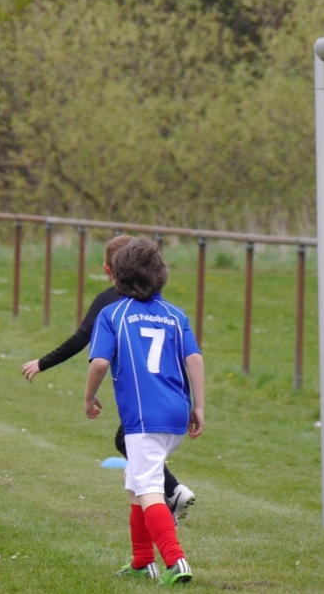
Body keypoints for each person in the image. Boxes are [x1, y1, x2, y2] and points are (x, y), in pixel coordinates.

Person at [21, 234, 196, 525]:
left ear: (109, 269)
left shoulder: (111, 306)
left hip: (144, 402)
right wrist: (198, 404)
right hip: (175, 400)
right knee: (134, 459)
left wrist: (47, 366)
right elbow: (193, 357)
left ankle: (170, 504)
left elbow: (88, 346)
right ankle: (164, 506)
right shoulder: (167, 310)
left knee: (138, 466)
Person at [84, 237, 205, 585]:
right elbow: (194, 358)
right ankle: (141, 561)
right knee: (136, 483)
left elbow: (100, 362)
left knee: (149, 487)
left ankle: (175, 560)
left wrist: (89, 397)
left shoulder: (113, 314)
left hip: (143, 417)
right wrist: (199, 405)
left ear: (117, 276)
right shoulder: (175, 315)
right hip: (176, 413)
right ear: (160, 274)